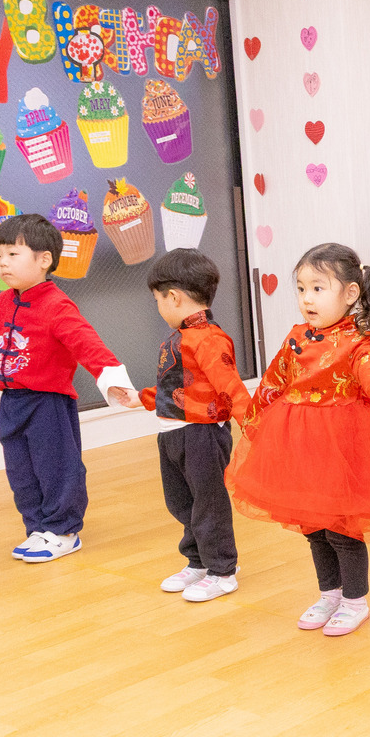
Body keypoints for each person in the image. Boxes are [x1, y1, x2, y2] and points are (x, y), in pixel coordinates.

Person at [225, 243, 370, 637]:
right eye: (302, 289)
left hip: (342, 445)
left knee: (341, 528)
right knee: (313, 527)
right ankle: (329, 594)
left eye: (318, 289)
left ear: (350, 293)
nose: (307, 299)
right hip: (299, 445)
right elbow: (273, 382)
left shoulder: (358, 343)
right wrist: (252, 421)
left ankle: (355, 602)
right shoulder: (296, 337)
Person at [0, 212, 132, 563]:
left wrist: (112, 378)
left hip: (47, 403)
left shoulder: (56, 304)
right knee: (20, 471)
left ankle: (64, 531)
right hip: (12, 401)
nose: (3, 262)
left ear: (44, 260)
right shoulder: (2, 302)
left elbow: (86, 342)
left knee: (56, 468)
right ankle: (38, 527)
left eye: (13, 254)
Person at [130, 248, 252, 603]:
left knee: (207, 503)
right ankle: (198, 561)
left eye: (157, 300)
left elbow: (231, 387)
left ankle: (222, 570)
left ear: (174, 297)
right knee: (181, 501)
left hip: (201, 434)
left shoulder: (209, 339)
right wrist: (140, 398)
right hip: (172, 432)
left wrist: (254, 426)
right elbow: (177, 386)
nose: (158, 307)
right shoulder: (179, 337)